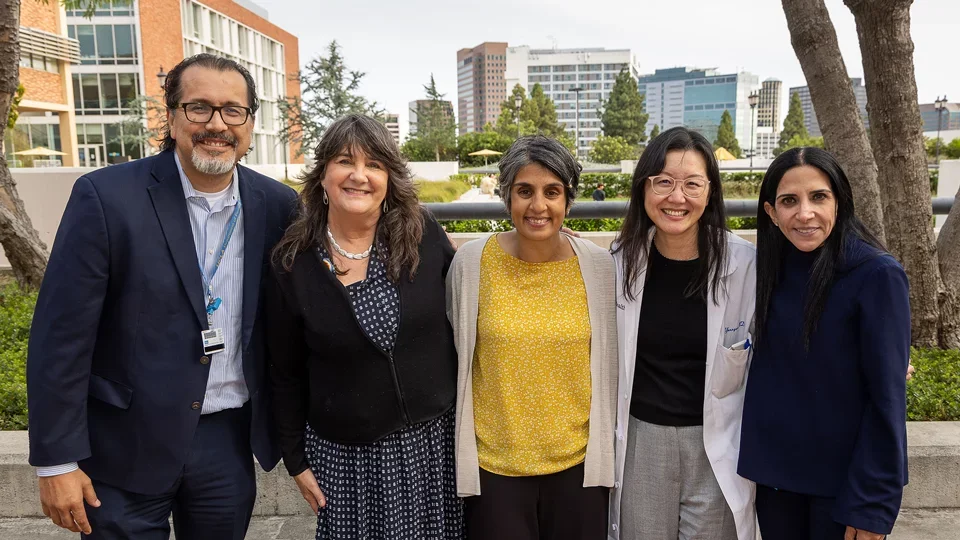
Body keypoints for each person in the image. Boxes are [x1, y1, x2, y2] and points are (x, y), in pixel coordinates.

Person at [26, 54, 297, 539]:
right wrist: (55, 460)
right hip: (123, 444)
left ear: (251, 123)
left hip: (226, 442)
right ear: (171, 117)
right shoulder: (106, 197)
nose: (217, 124)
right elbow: (60, 336)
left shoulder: (277, 205)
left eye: (233, 110)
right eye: (199, 108)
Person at [264, 114, 463, 539]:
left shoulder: (422, 235)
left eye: (374, 164)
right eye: (344, 161)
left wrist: (551, 243)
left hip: (431, 449)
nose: (359, 175)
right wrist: (295, 460)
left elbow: (472, 290)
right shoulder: (292, 262)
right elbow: (284, 372)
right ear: (322, 176)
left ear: (390, 178)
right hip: (345, 460)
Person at [446, 135, 617, 540]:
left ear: (568, 200)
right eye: (525, 191)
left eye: (552, 192)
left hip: (579, 470)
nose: (538, 206)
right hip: (495, 473)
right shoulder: (471, 263)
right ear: (507, 197)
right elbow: (455, 350)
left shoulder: (599, 268)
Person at [738, 147, 910, 540]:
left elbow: (887, 400)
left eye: (818, 197)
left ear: (840, 201)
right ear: (770, 212)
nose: (804, 213)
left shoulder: (877, 275)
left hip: (843, 492)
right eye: (789, 201)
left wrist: (873, 506)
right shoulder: (766, 270)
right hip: (775, 484)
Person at [608, 127, 757, 540]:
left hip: (717, 446)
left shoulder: (746, 266)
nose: (677, 197)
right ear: (643, 189)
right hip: (642, 442)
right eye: (664, 182)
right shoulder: (617, 264)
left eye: (692, 184)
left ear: (710, 193)